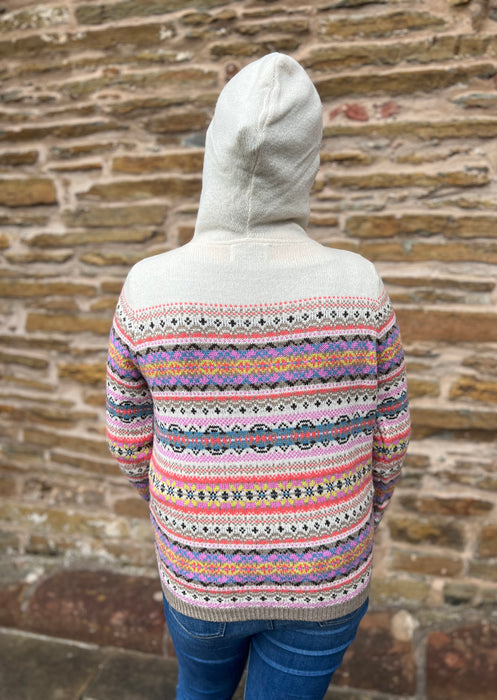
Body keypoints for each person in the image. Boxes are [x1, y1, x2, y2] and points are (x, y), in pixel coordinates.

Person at [106, 52, 410, 700]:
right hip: (327, 567)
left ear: (216, 149)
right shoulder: (359, 285)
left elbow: (128, 438)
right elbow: (390, 439)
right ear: (307, 161)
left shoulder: (148, 288)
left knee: (199, 691)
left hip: (197, 564)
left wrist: (177, 509)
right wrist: (355, 517)